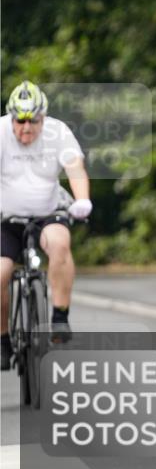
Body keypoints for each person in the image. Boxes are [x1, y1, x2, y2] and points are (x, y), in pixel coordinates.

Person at [1, 81, 92, 368]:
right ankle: (3, 339)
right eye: (20, 121)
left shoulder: (58, 132)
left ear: (44, 118)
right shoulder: (1, 133)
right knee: (0, 273)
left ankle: (60, 318)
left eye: (33, 121)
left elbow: (75, 167)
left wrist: (83, 200)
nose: (26, 128)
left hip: (47, 211)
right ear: (11, 117)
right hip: (6, 217)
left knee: (60, 244)